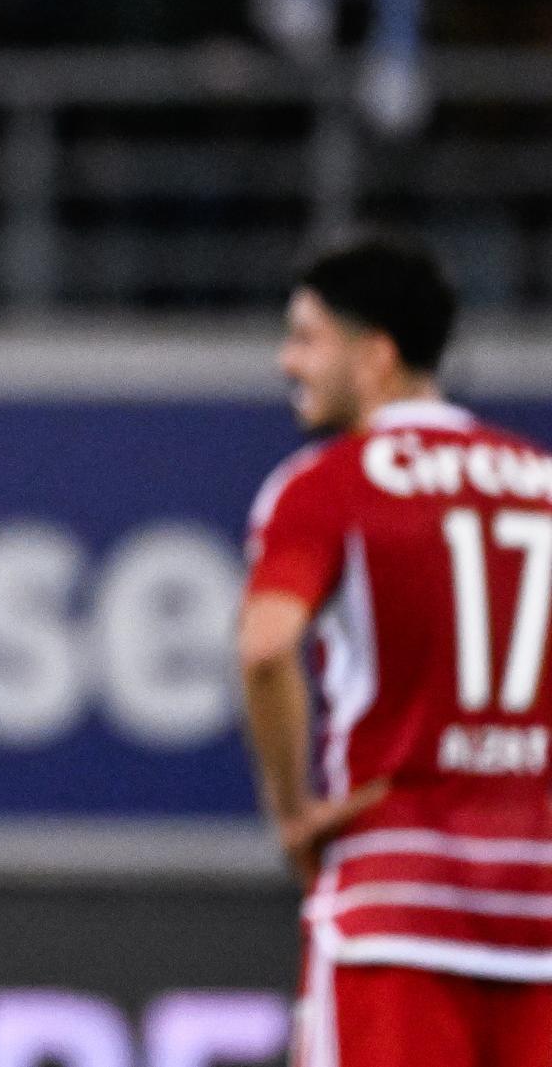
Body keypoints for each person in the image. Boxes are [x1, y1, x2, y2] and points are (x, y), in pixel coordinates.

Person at [241, 239, 552, 1067]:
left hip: (397, 905)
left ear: (374, 353)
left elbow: (267, 649)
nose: (287, 360)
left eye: (307, 337)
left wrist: (293, 808)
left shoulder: (327, 483)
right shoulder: (539, 477)